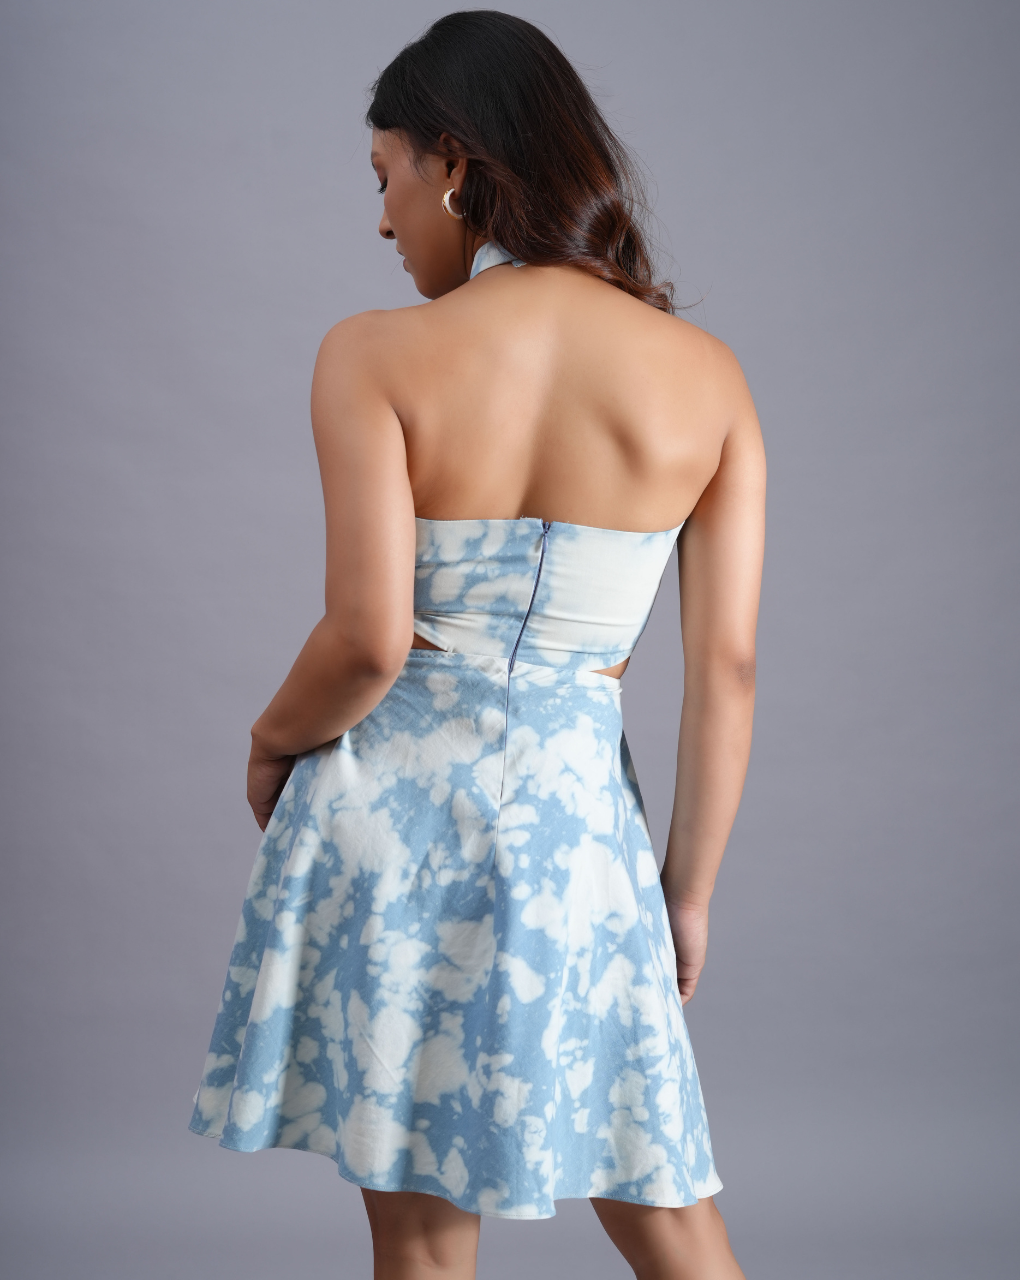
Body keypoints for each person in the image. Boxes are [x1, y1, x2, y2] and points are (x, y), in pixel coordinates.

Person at [189, 11, 764, 1279]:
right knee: (664, 1197)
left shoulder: (374, 353)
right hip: (578, 828)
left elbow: (364, 637)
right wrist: (686, 891)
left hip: (389, 816)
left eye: (386, 177)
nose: (383, 221)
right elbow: (725, 672)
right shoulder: (708, 378)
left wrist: (268, 739)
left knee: (422, 1235)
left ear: (454, 160)